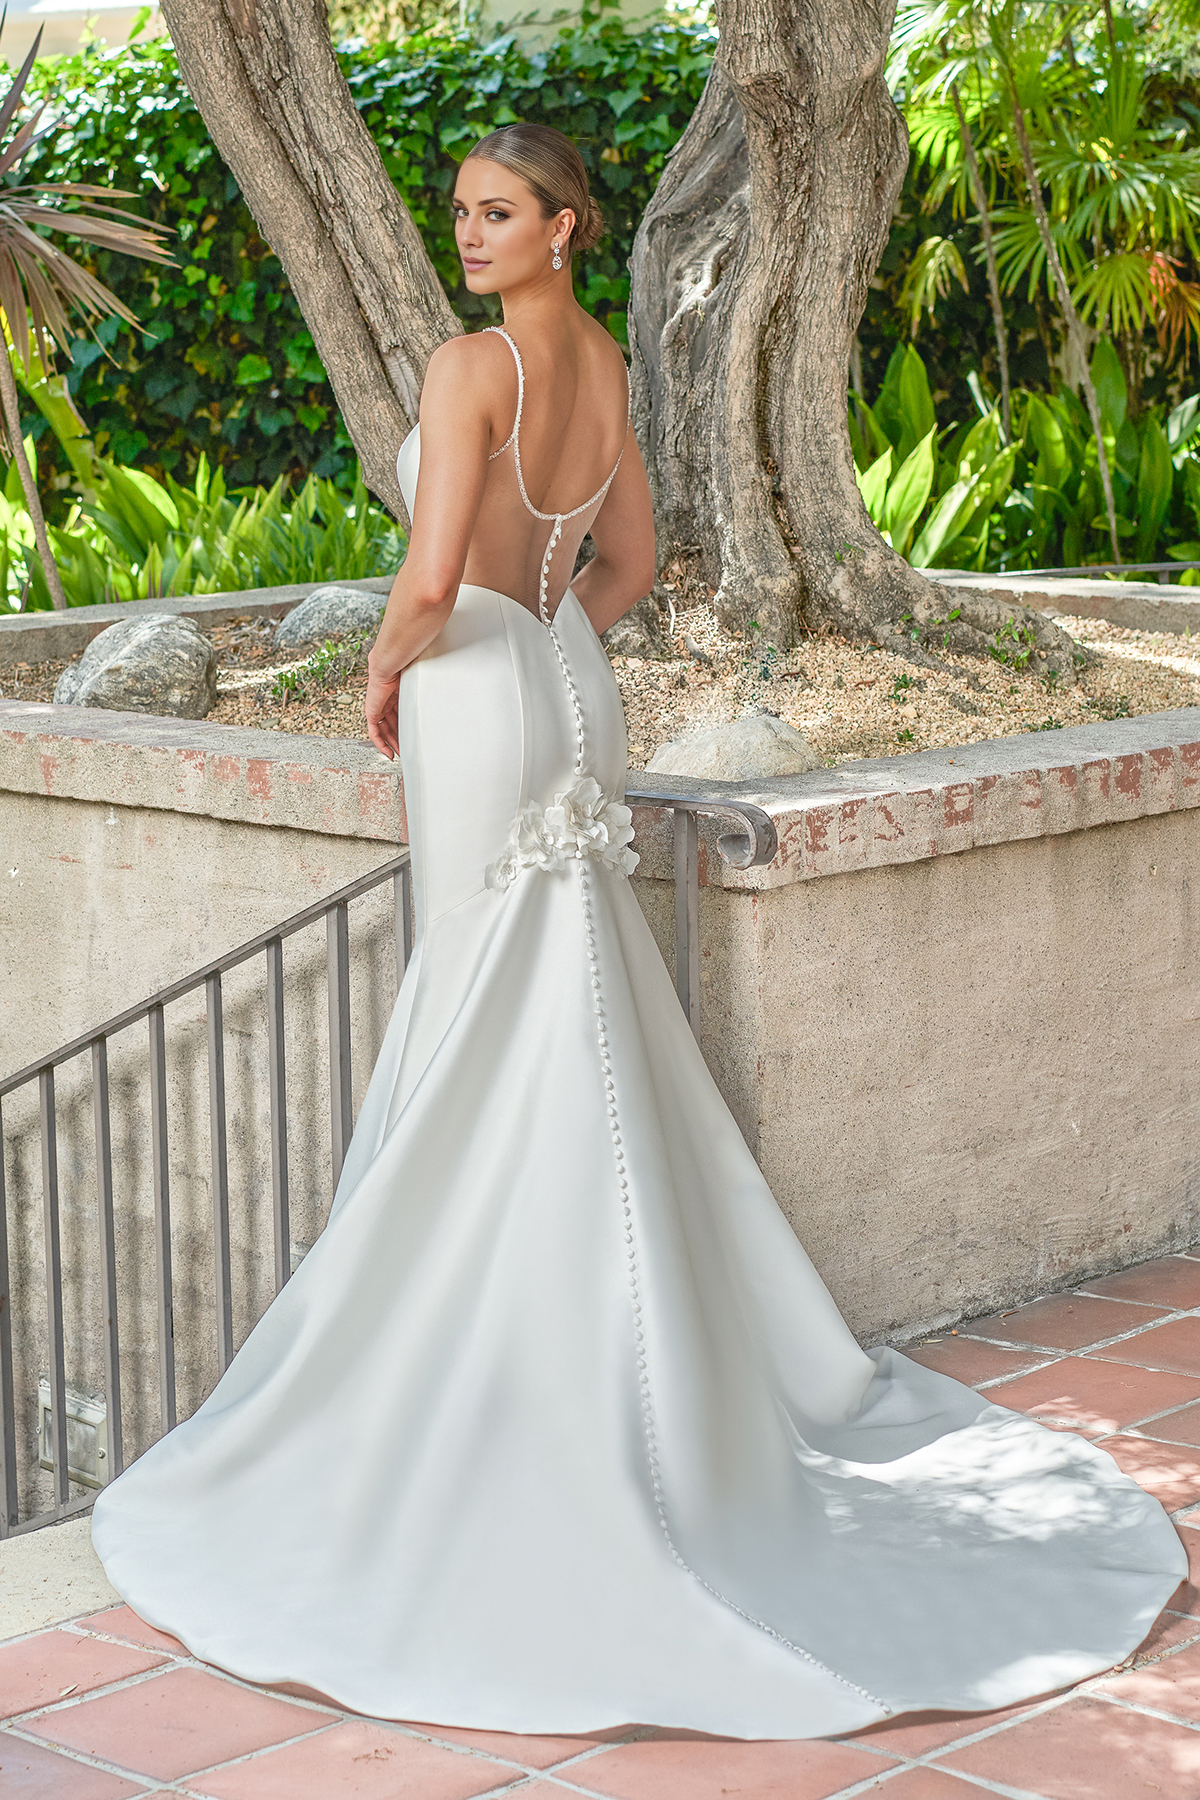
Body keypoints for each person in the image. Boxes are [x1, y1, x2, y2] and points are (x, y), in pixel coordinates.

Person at [92, 123, 1185, 1740]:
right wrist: (548, 650)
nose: (469, 232)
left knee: (482, 992)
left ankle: (485, 1361)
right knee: (565, 992)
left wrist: (402, 676)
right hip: (560, 684)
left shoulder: (475, 367)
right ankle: (627, 1342)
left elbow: (421, 570)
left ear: (565, 223)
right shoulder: (605, 364)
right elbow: (636, 562)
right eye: (459, 211)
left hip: (473, 693)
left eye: (499, 211)